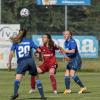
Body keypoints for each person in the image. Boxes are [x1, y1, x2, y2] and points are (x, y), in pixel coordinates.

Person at [7, 29, 45, 100]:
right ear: (26, 34)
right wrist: (40, 56)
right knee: (37, 78)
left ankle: (15, 94)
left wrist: (9, 63)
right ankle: (42, 96)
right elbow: (39, 50)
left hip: (22, 62)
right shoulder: (29, 41)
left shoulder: (16, 42)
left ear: (19, 33)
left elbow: (11, 54)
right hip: (30, 61)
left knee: (18, 79)